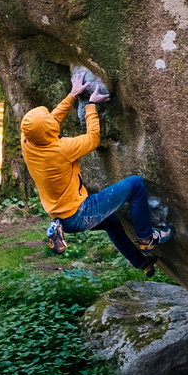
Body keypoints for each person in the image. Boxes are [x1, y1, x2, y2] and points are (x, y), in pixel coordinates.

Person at [20, 71, 170, 275]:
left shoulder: (28, 141)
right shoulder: (62, 150)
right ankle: (146, 237)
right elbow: (92, 139)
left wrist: (72, 95)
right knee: (135, 184)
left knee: (113, 224)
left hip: (63, 217)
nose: (50, 118)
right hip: (80, 212)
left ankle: (143, 263)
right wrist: (91, 105)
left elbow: (49, 123)